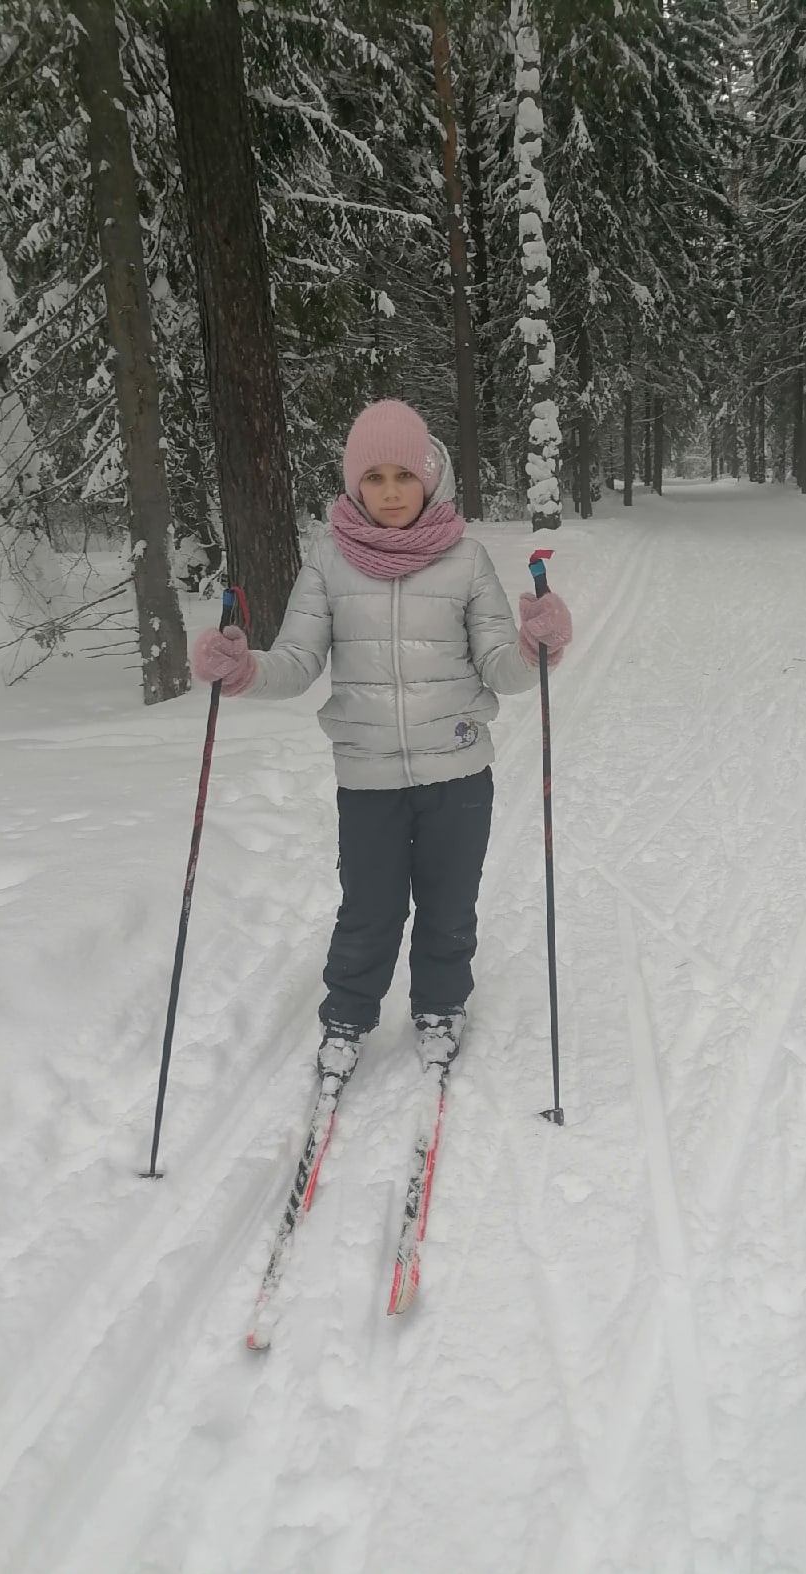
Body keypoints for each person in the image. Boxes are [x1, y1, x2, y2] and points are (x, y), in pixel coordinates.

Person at [191, 399, 572, 1081]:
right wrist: (243, 670)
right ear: (354, 484)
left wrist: (535, 646)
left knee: (449, 906)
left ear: (429, 478)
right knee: (369, 908)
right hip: (367, 777)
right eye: (374, 477)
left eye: (404, 476)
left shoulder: (467, 560)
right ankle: (347, 1017)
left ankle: (440, 1008)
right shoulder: (329, 562)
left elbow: (500, 668)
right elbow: (297, 662)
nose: (391, 491)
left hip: (458, 771)